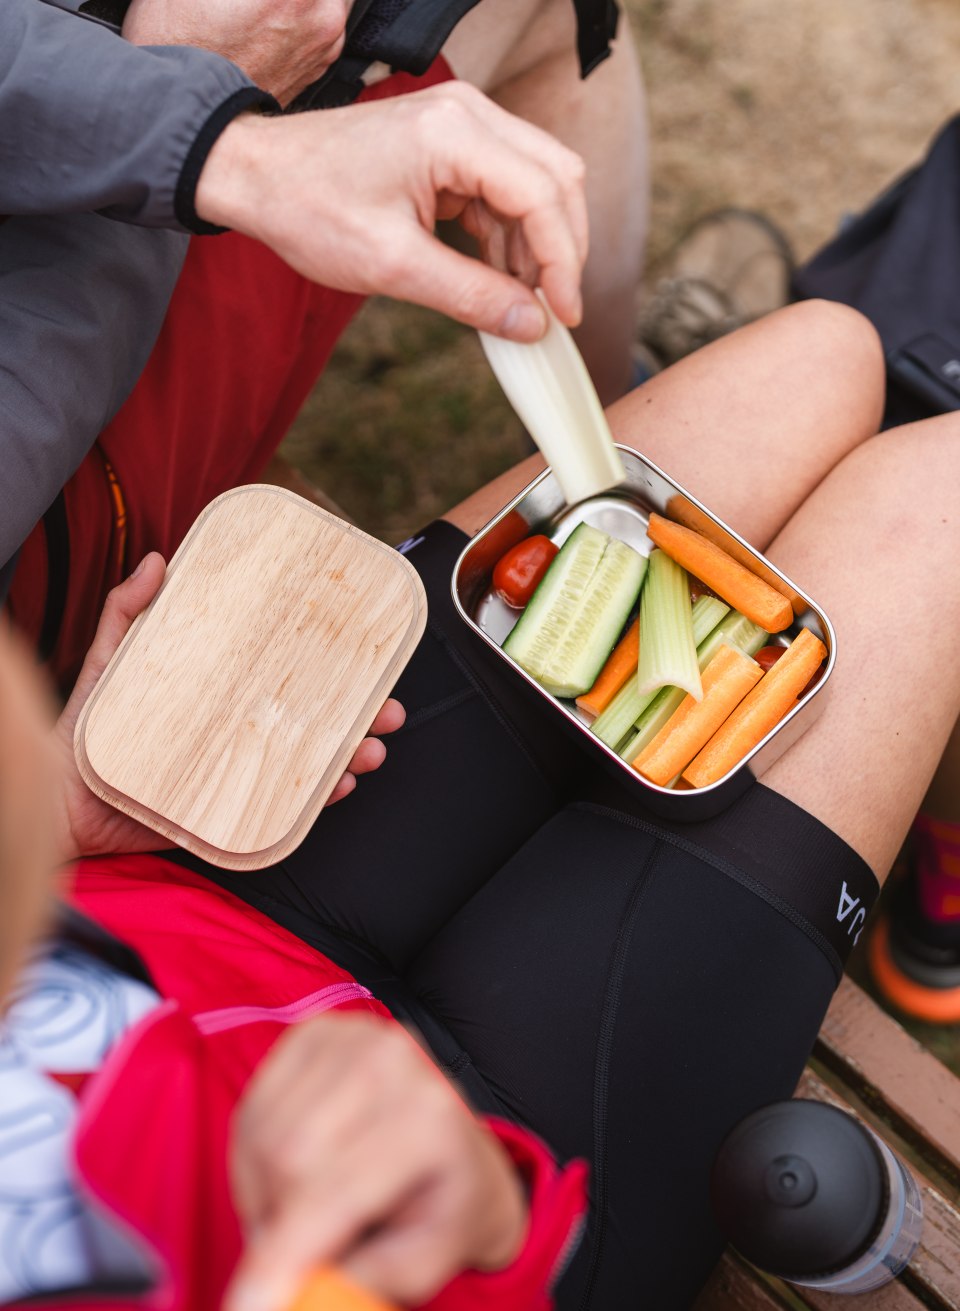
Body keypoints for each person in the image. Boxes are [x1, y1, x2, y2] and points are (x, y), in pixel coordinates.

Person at [27, 295, 960, 1308]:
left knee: (823, 353)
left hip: (197, 881)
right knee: (937, 495)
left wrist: (59, 816)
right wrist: (488, 1217)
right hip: (486, 1202)